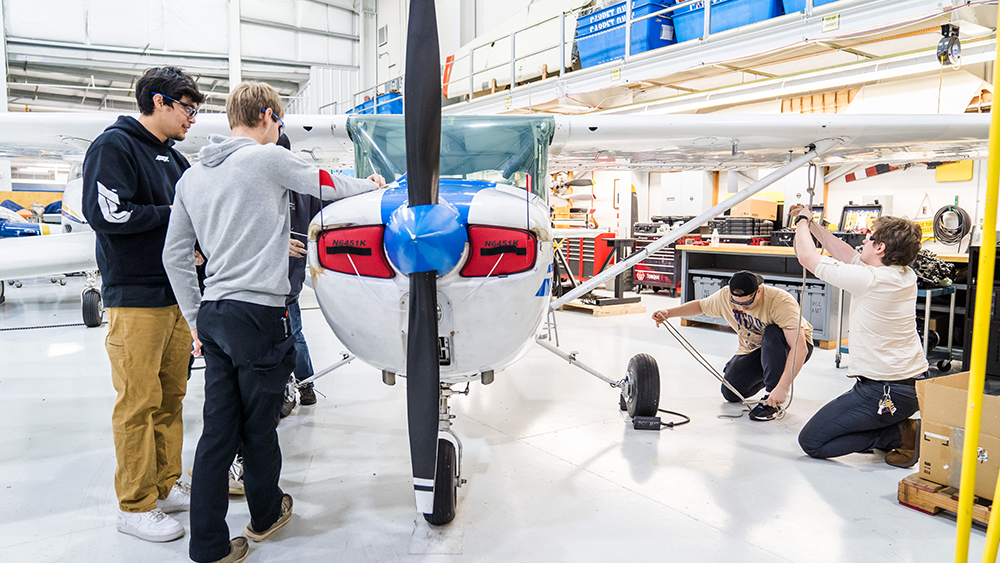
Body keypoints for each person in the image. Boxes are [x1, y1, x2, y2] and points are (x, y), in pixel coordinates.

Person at [162, 81, 385, 563]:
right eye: (280, 121)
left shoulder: (191, 177)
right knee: (260, 426)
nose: (279, 129)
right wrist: (371, 188)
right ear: (266, 116)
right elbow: (325, 184)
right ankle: (264, 516)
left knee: (218, 431)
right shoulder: (265, 159)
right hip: (261, 314)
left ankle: (208, 546)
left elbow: (174, 256)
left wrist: (195, 318)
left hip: (216, 316)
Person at [81, 66, 204, 543]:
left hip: (175, 296)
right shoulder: (114, 147)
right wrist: (175, 218)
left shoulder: (175, 160)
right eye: (188, 109)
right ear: (159, 101)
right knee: (137, 402)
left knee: (171, 398)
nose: (192, 119)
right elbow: (107, 212)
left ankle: (165, 483)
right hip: (135, 298)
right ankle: (134, 504)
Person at [794, 210, 926, 467]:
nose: (863, 241)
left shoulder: (871, 279)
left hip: (885, 391)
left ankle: (900, 433)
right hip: (906, 387)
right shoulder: (903, 274)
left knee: (812, 441)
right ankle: (894, 427)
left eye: (869, 237)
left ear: (881, 247)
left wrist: (799, 222)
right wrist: (813, 225)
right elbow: (845, 253)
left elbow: (806, 257)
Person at [651, 270, 814, 421]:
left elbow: (800, 348)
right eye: (736, 302)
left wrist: (781, 388)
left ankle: (772, 399)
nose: (742, 307)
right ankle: (772, 373)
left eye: (748, 303)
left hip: (786, 345)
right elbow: (701, 306)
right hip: (754, 348)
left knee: (772, 333)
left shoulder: (780, 301)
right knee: (731, 393)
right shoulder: (725, 296)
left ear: (758, 291)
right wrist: (669, 313)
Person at [278, 133, 322, 417]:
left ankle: (304, 385)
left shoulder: (302, 192)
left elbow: (325, 218)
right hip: (261, 285)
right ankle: (283, 391)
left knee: (294, 335)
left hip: (288, 285)